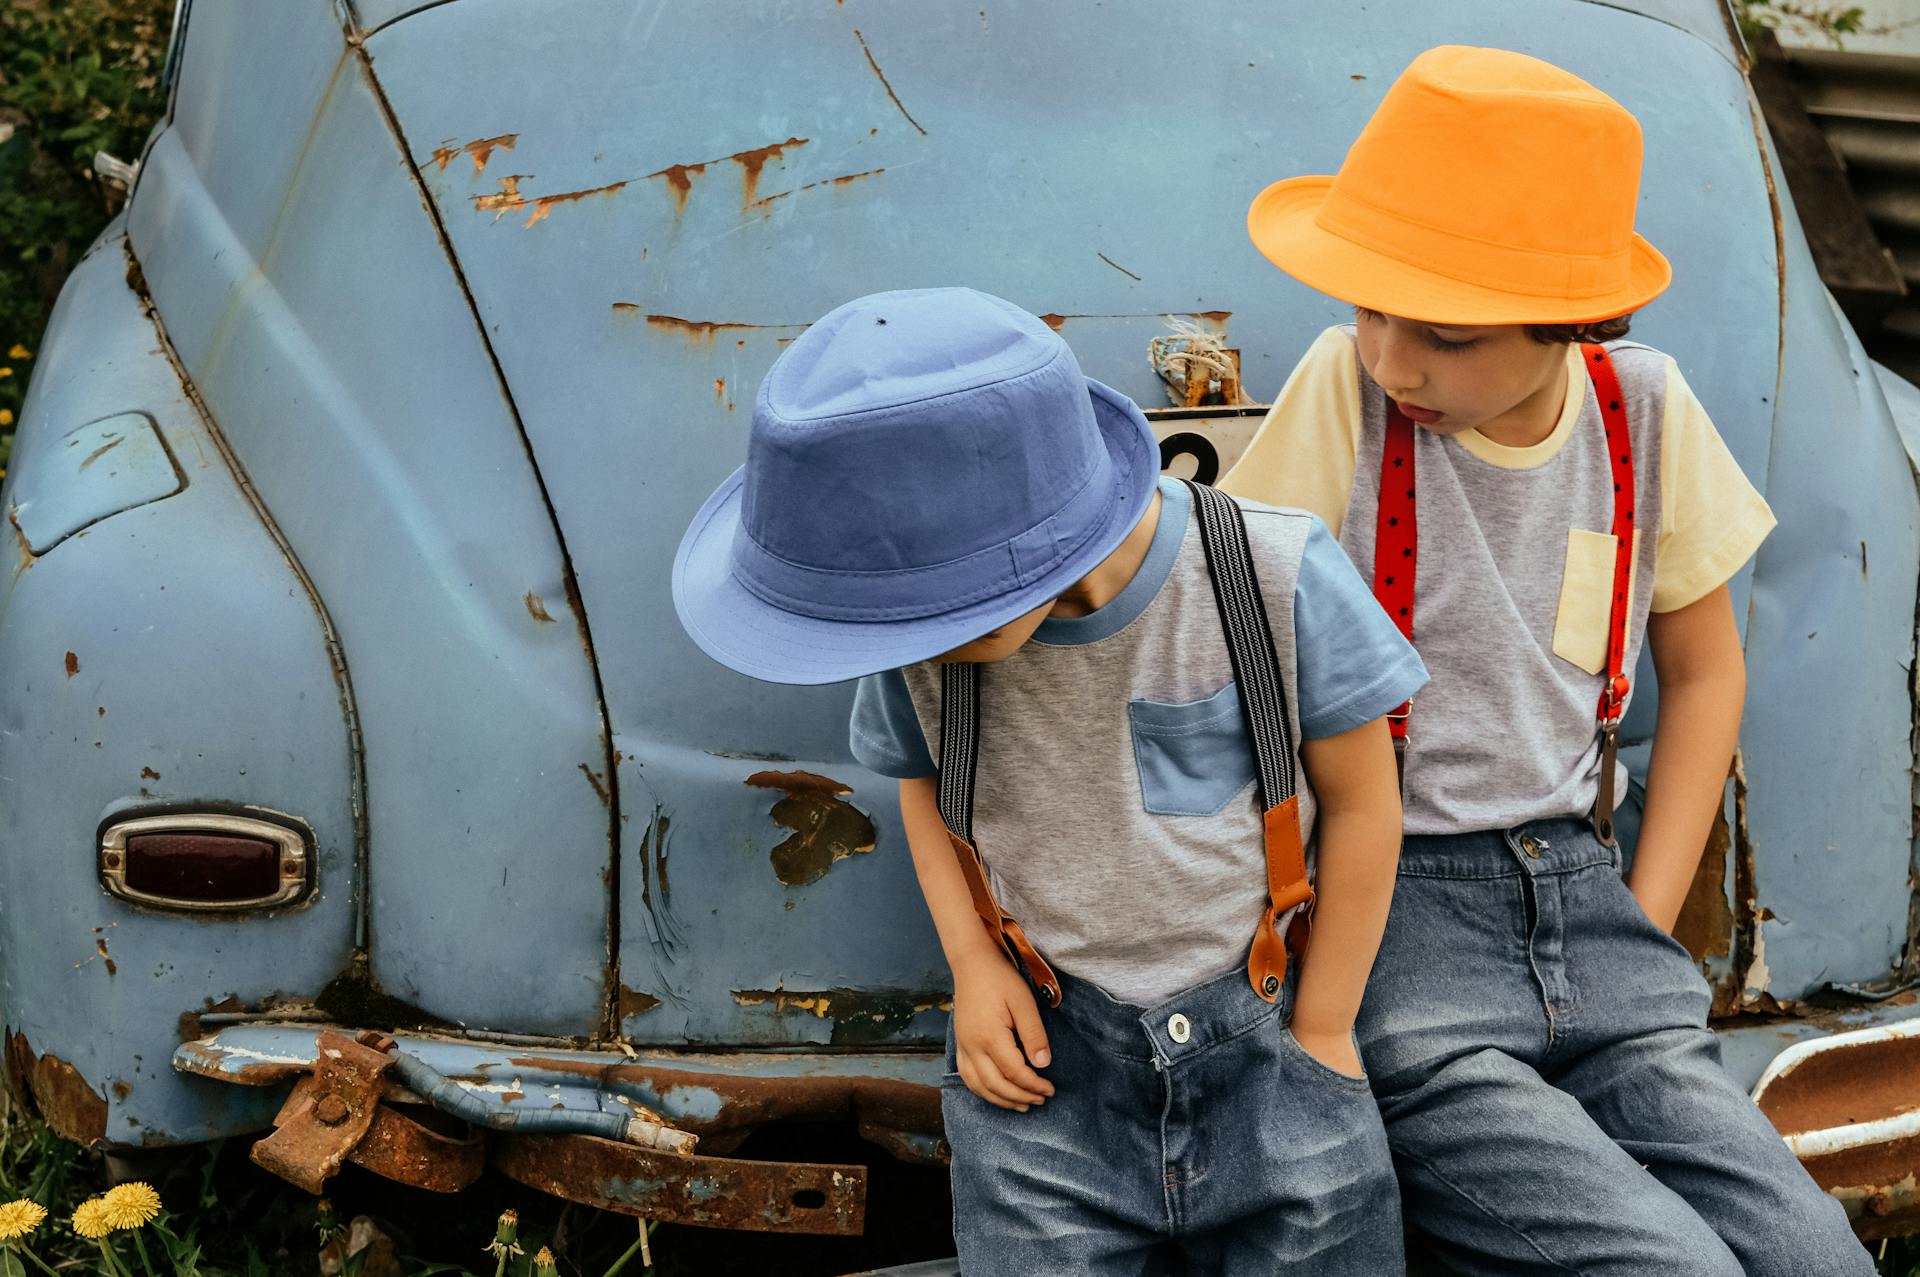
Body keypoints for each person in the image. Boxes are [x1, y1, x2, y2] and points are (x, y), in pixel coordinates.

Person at [1221, 44, 1872, 1276]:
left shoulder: (1646, 408)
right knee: (1669, 1265)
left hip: (1592, 910)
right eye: (1368, 308)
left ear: (1575, 321)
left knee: (1814, 1256)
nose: (1390, 360)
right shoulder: (1341, 398)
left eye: (1444, 334)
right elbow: (1234, 654)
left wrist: (1646, 909)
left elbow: (1706, 665)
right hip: (1401, 924)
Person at [672, 285, 1427, 1273]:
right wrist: (975, 967)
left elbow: (1368, 799)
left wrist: (1327, 1022)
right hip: (1048, 1079)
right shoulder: (920, 646)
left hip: (1272, 1045)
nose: (893, 643)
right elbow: (925, 788)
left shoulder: (1268, 573)